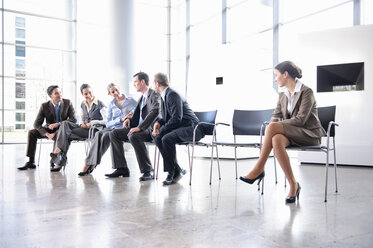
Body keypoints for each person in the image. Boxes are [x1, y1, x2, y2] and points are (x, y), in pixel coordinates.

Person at [239, 61, 326, 203]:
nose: (275, 79)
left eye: (276, 75)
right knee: (276, 139)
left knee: (273, 127)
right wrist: (274, 124)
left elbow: (301, 120)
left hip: (309, 134)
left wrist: (275, 125)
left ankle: (259, 168)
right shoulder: (282, 95)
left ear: (285, 75)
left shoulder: (306, 92)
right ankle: (293, 184)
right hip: (292, 133)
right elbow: (276, 114)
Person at [152, 72, 205, 185]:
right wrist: (158, 123)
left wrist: (161, 130)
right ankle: (177, 169)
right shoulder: (164, 96)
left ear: (157, 83)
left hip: (192, 128)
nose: (153, 86)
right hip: (181, 127)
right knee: (157, 138)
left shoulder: (172, 95)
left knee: (166, 138)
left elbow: (176, 118)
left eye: (153, 83)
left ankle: (171, 172)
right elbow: (167, 117)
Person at [105, 72, 160, 180]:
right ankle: (121, 168)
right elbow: (136, 116)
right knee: (114, 133)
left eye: (135, 82)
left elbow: (155, 111)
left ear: (142, 82)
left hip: (151, 128)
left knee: (134, 136)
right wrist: (128, 120)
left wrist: (140, 127)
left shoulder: (154, 95)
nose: (134, 84)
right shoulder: (141, 98)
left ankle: (147, 171)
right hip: (140, 128)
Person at [78, 83, 137, 176]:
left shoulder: (131, 100)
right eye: (113, 92)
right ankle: (91, 163)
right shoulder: (111, 104)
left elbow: (140, 111)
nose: (116, 93)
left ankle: (90, 163)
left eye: (117, 90)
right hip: (114, 127)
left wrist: (131, 115)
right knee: (99, 134)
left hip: (125, 128)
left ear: (120, 89)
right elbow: (108, 123)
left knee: (106, 135)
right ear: (110, 94)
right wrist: (120, 119)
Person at [49, 84, 108, 172]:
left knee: (66, 133)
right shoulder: (83, 104)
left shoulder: (100, 103)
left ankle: (58, 158)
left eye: (89, 92)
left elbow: (106, 120)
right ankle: (59, 157)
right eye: (85, 94)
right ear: (82, 95)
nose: (88, 95)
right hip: (84, 129)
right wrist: (81, 124)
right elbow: (81, 118)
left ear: (92, 91)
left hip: (95, 130)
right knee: (65, 124)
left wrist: (92, 122)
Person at [17, 85, 76, 170]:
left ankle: (54, 160)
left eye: (60, 92)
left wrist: (58, 124)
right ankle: (31, 161)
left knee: (58, 134)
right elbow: (37, 124)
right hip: (49, 129)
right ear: (50, 96)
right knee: (32, 132)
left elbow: (73, 119)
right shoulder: (44, 106)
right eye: (56, 93)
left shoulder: (67, 103)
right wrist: (47, 134)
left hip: (63, 129)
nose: (59, 95)